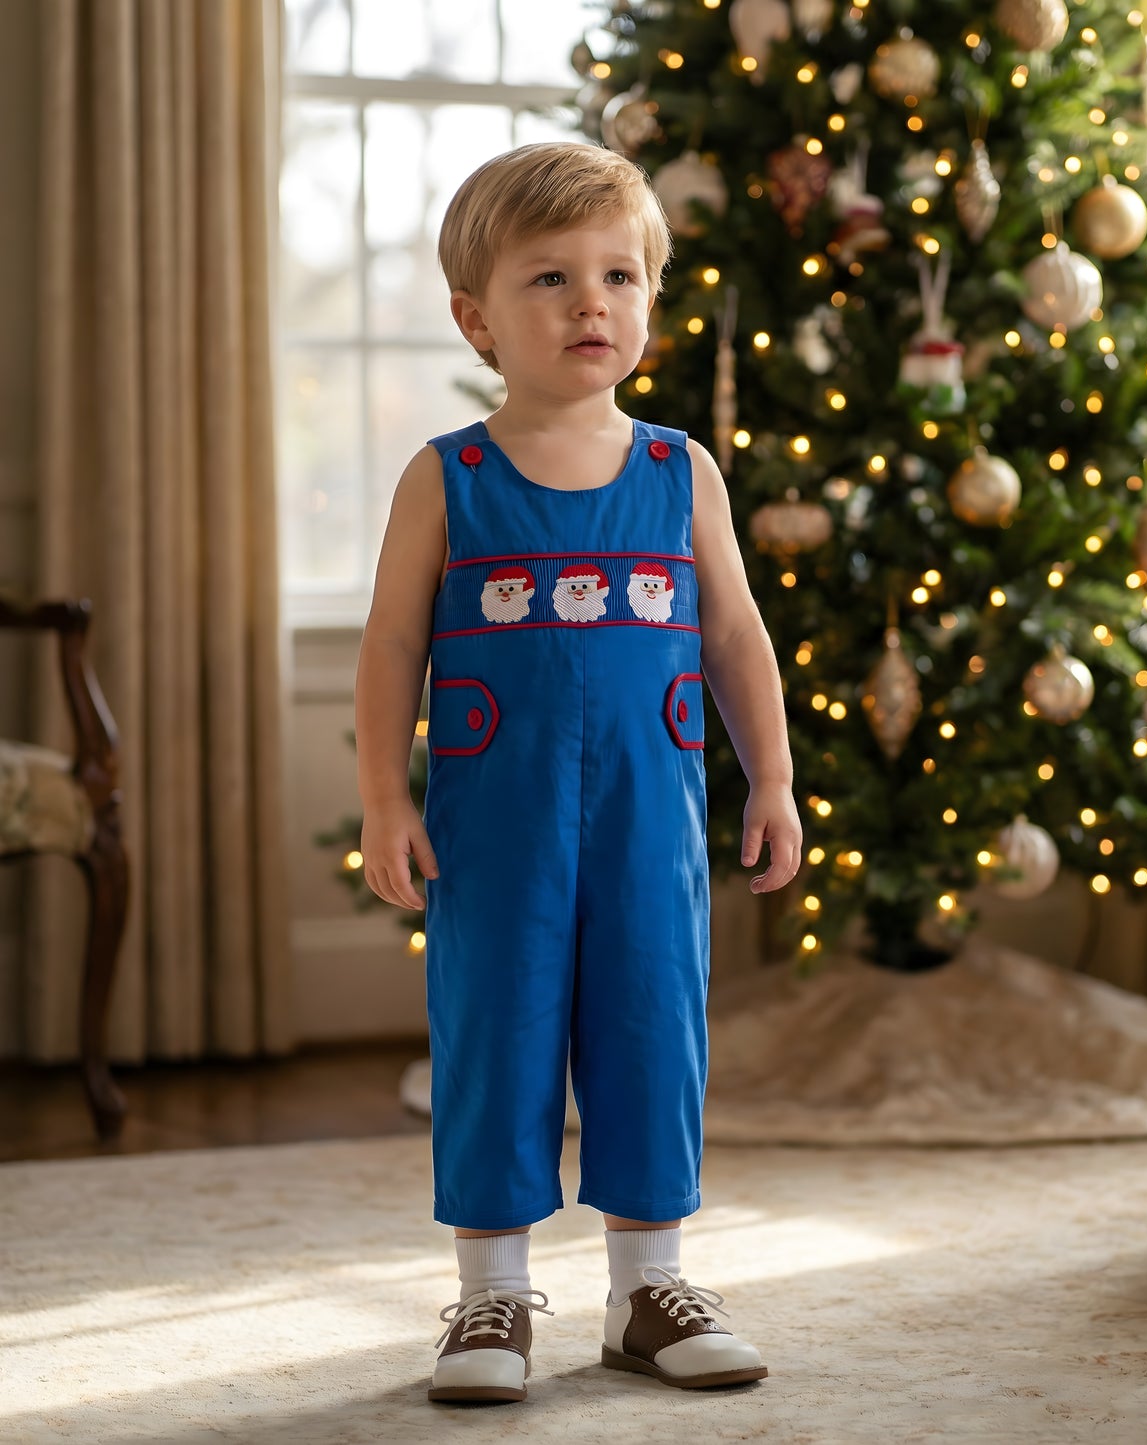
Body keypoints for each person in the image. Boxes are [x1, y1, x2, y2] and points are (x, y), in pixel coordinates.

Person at [353, 140, 803, 1405]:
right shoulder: (451, 477)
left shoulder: (679, 473)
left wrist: (768, 778)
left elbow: (733, 637)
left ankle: (647, 1288)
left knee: (651, 1024)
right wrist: (387, 797)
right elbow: (390, 643)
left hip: (647, 827)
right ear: (476, 318)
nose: (589, 303)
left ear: (650, 300)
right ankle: (489, 1293)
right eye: (548, 279)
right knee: (493, 1030)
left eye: (618, 274)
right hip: (493, 829)